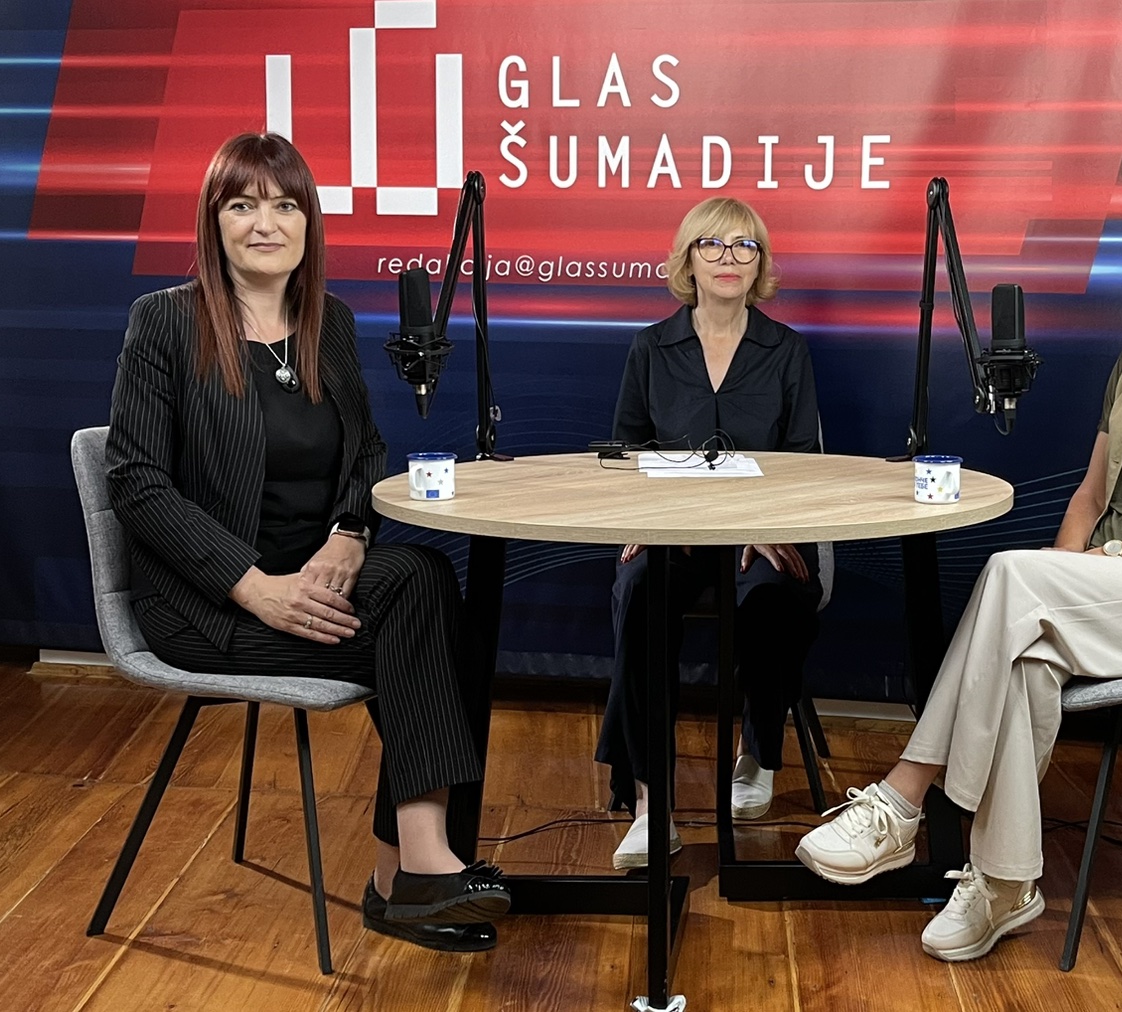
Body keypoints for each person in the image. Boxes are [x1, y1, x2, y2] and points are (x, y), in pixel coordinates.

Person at [793, 186, 1122, 962]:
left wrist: (1088, 566)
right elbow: (1090, 496)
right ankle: (1005, 884)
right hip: (1121, 599)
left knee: (1016, 576)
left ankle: (903, 797)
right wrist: (1066, 571)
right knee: (1027, 658)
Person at [105, 132, 507, 953]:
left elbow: (364, 452)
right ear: (213, 221)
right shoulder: (165, 322)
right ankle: (409, 876)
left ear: (308, 222)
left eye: (284, 205)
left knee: (424, 577)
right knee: (435, 638)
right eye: (242, 205)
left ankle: (415, 874)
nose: (266, 223)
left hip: (311, 578)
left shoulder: (331, 325)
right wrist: (254, 587)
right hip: (207, 605)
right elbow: (136, 482)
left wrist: (350, 534)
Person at [597, 197, 824, 868]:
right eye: (712, 244)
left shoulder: (787, 350)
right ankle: (650, 804)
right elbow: (625, 454)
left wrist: (765, 523)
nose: (729, 258)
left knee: (774, 594)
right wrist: (651, 520)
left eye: (744, 246)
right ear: (688, 259)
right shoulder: (650, 347)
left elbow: (803, 461)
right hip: (676, 530)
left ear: (760, 264)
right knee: (639, 588)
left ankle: (756, 752)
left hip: (763, 532)